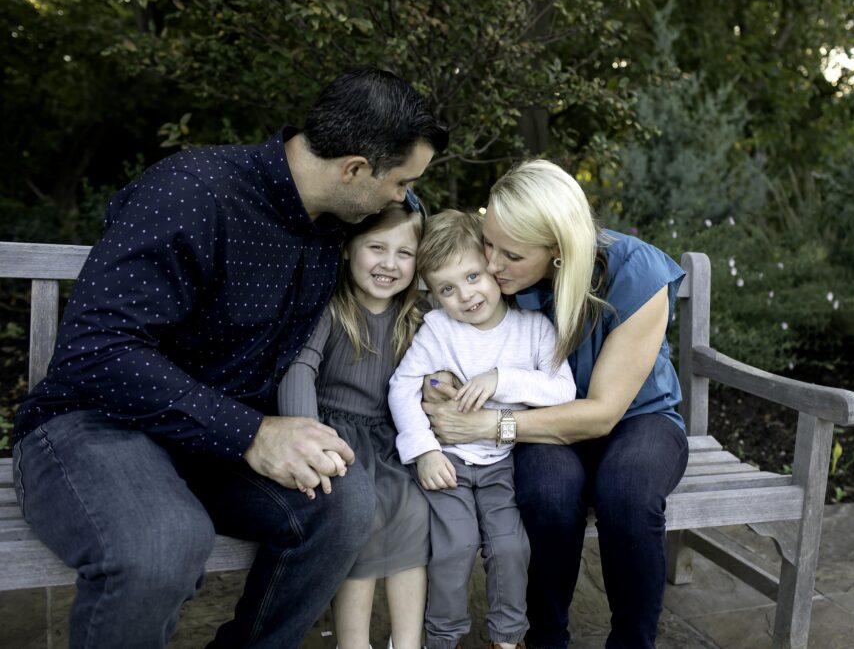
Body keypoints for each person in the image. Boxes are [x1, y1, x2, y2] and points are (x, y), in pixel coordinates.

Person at [11, 67, 448, 648]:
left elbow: (425, 245)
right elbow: (100, 348)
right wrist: (251, 432)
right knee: (165, 545)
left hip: (217, 440)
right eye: (400, 182)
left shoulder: (341, 218)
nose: (404, 197)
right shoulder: (192, 192)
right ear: (354, 169)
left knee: (343, 504)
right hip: (98, 424)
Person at [421, 160, 690, 649]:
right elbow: (450, 348)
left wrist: (488, 426)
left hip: (638, 419)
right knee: (547, 491)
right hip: (541, 422)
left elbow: (604, 412)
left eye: (512, 255)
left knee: (628, 493)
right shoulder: (502, 285)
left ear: (559, 251)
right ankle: (545, 639)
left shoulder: (638, 272)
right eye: (489, 243)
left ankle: (632, 642)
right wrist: (438, 385)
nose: (493, 265)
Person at [388, 210, 576, 649]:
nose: (466, 296)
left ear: (491, 268)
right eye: (447, 289)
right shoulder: (438, 328)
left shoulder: (532, 329)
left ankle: (507, 638)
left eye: (473, 276)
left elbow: (563, 389)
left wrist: (500, 378)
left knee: (511, 548)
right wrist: (424, 451)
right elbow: (403, 385)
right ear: (433, 295)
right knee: (454, 546)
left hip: (502, 465)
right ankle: (444, 637)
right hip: (447, 463)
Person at [277, 197, 431, 649]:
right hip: (334, 435)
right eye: (376, 248)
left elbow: (441, 369)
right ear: (347, 247)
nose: (390, 264)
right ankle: (353, 642)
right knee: (360, 515)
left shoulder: (415, 316)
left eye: (405, 253)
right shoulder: (329, 306)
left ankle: (407, 641)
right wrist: (309, 440)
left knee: (417, 508)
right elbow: (300, 368)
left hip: (389, 438)